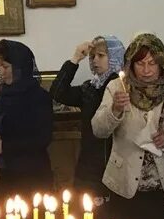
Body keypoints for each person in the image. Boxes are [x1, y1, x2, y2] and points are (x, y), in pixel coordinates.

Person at [92, 34, 164, 219]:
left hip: (163, 186)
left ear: (162, 63)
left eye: (153, 63)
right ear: (130, 64)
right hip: (125, 183)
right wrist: (115, 109)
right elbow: (98, 130)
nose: (146, 70)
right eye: (140, 63)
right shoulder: (117, 86)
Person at [0, 40, 54, 203]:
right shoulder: (4, 94)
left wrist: (6, 147)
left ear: (20, 68)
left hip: (32, 175)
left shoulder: (38, 97)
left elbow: (42, 138)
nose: (0, 72)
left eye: (5, 67)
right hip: (8, 173)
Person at [50, 35, 126, 202]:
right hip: (90, 163)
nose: (95, 61)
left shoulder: (124, 87)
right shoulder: (90, 88)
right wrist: (76, 58)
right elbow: (58, 93)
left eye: (101, 56)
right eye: (92, 57)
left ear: (114, 57)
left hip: (115, 164)